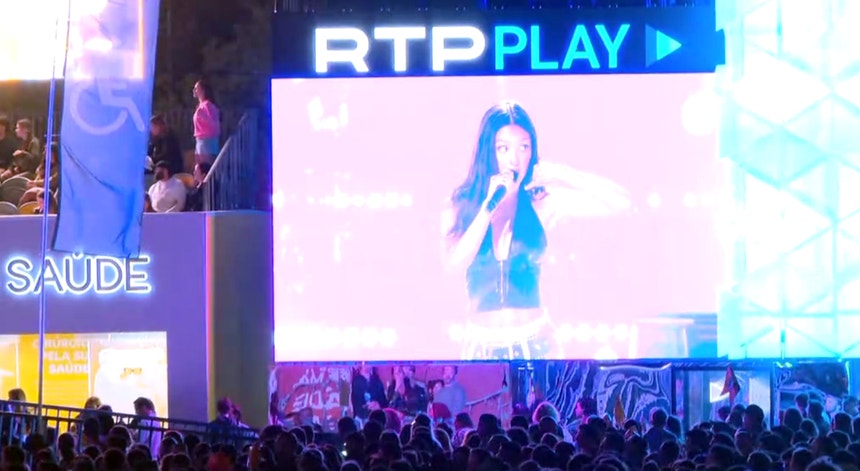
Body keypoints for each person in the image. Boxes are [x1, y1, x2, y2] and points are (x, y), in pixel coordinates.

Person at [443, 101, 630, 360]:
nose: (514, 159)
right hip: (480, 348)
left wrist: (563, 174)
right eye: (503, 148)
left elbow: (621, 202)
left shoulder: (540, 202)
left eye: (524, 147)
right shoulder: (462, 205)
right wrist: (487, 208)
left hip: (536, 343)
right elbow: (453, 265)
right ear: (488, 152)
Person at [192, 79, 221, 164]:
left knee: (205, 167)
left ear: (203, 91)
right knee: (200, 167)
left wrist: (204, 118)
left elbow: (215, 125)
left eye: (196, 88)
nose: (194, 90)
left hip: (207, 141)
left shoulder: (208, 105)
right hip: (200, 141)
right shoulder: (201, 105)